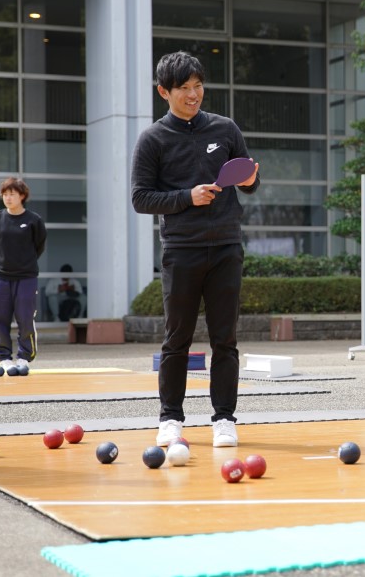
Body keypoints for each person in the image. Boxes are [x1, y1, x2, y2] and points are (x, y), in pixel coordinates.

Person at [131, 51, 260, 449]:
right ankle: (170, 418)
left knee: (226, 340)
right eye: (184, 88)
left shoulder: (225, 129)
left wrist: (252, 177)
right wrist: (187, 196)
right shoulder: (153, 138)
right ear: (163, 92)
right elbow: (140, 198)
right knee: (177, 340)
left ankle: (224, 418)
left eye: (198, 86)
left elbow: (248, 183)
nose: (193, 95)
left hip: (226, 247)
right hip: (181, 250)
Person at [0, 178, 47, 370]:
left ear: (22, 196)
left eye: (12, 194)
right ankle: (3, 356)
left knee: (25, 317)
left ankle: (24, 357)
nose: (8, 198)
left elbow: (39, 246)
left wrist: (24, 263)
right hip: (1, 277)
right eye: (5, 194)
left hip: (26, 277)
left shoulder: (33, 220)